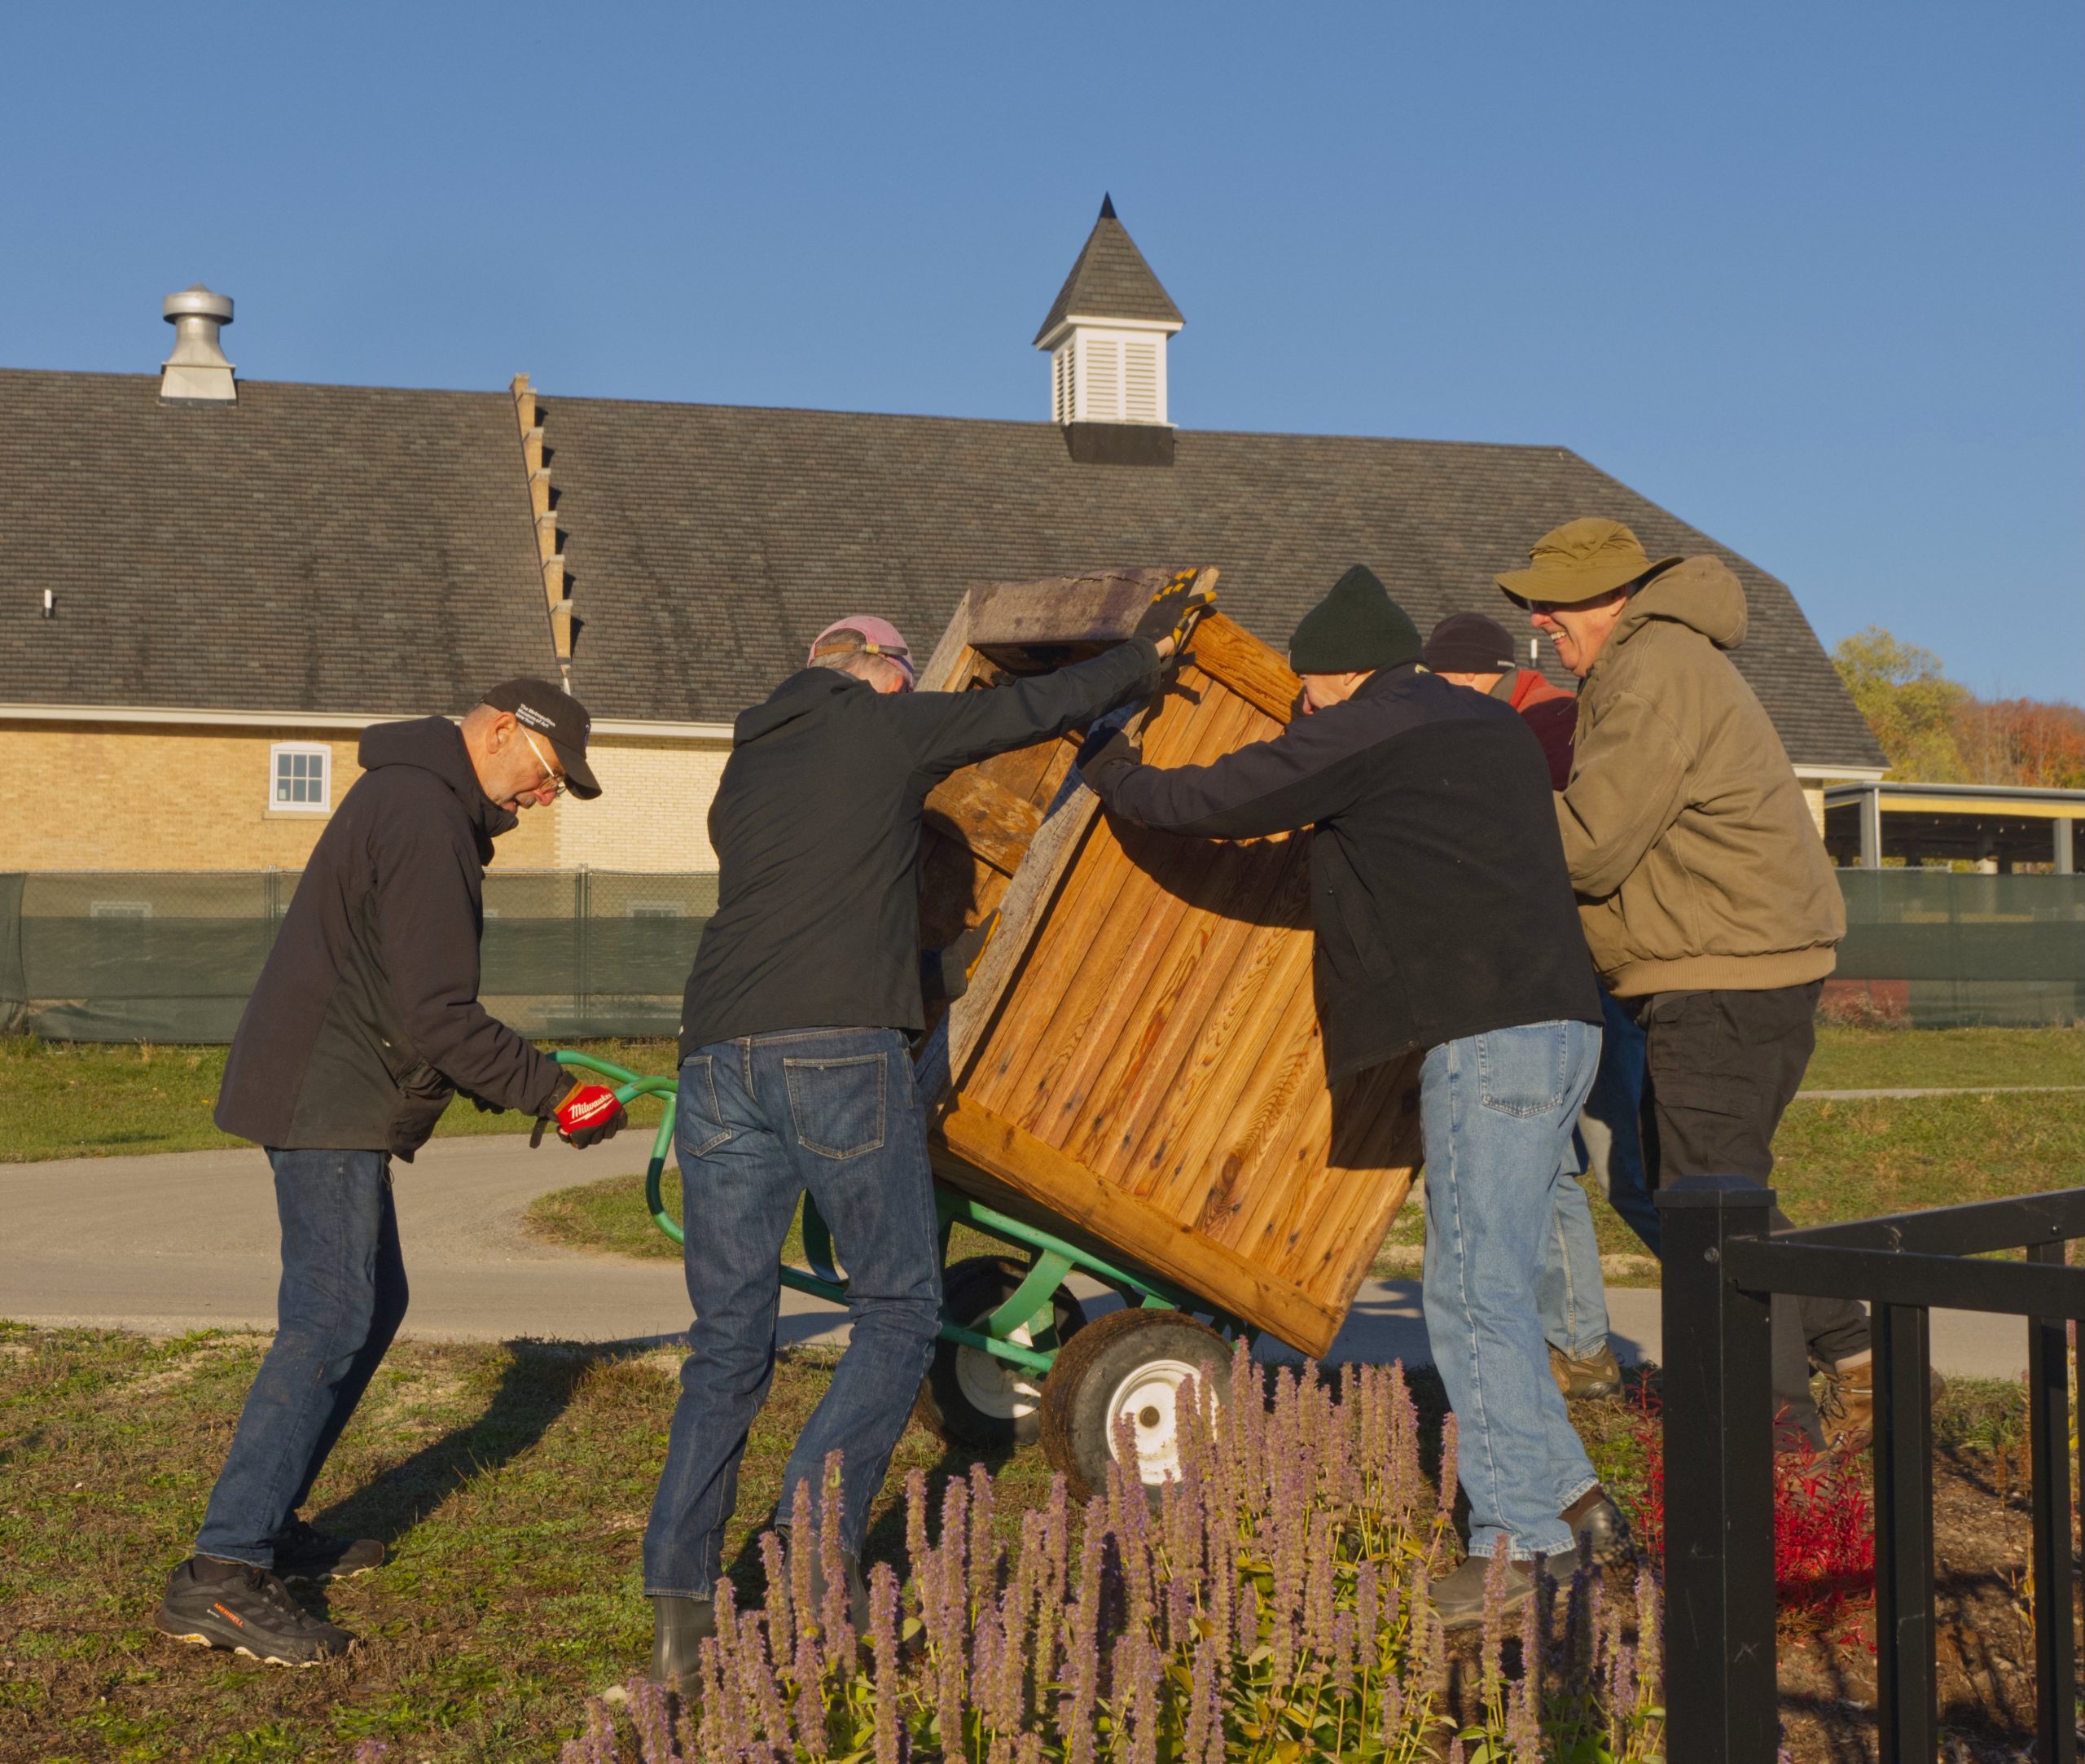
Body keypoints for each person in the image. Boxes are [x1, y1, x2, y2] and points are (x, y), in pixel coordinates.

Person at [644, 582, 1210, 1684]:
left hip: (715, 1055)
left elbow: (822, 895)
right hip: (833, 1054)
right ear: (879, 671)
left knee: (728, 1340)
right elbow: (1027, 711)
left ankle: (679, 1607)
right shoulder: (875, 722)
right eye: (909, 680)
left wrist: (928, 965)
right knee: (900, 1308)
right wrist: (1140, 661)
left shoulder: (747, 764)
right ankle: (812, 1556)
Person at [1085, 564, 1626, 1627]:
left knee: (1468, 1294)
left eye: (1310, 683)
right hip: (1564, 1025)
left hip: (1485, 1037)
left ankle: (1517, 1543)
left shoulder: (1372, 727)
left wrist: (1112, 765)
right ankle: (1572, 1502)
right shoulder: (1488, 727)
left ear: (1337, 674)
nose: (1306, 698)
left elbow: (1216, 799)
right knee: (1500, 1286)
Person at [155, 680, 629, 1666]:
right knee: (332, 1315)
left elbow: (409, 1000)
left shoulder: (414, 798)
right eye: (549, 775)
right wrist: (555, 1093)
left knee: (369, 1305)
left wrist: (536, 1087)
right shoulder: (424, 814)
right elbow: (437, 1014)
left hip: (329, 1081)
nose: (547, 797)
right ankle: (223, 1573)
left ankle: (265, 1525)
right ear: (503, 732)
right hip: (325, 1091)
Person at [1496, 519, 1878, 1448]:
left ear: (1611, 597)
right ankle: (1863, 1356)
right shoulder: (1643, 664)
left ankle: (1771, 1439)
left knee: (1710, 1201)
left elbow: (1590, 844)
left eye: (1551, 601)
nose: (1538, 619)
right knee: (1707, 1183)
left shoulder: (1653, 669)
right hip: (1722, 969)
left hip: (1725, 978)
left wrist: (1467, 816)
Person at [1423, 612, 1657, 1402]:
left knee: (1631, 1177)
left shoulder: (1548, 724)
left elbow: (1546, 846)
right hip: (1565, 975)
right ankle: (1582, 1348)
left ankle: (1777, 1326)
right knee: (1558, 1164)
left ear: (1472, 674)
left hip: (1585, 977)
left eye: (1438, 680)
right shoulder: (1519, 717)